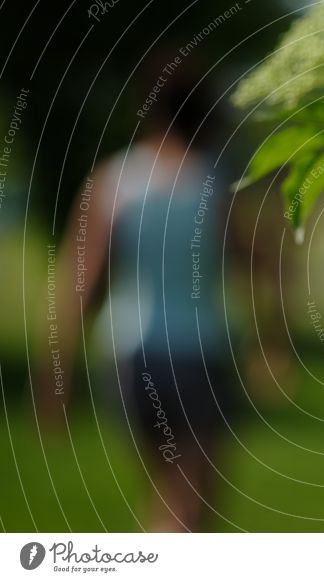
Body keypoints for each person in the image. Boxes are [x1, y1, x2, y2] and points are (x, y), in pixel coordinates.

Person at [39, 61, 236, 531]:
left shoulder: (113, 180)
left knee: (167, 495)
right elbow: (258, 261)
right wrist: (276, 339)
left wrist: (58, 375)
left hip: (128, 352)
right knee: (190, 508)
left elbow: (79, 285)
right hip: (197, 352)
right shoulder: (213, 181)